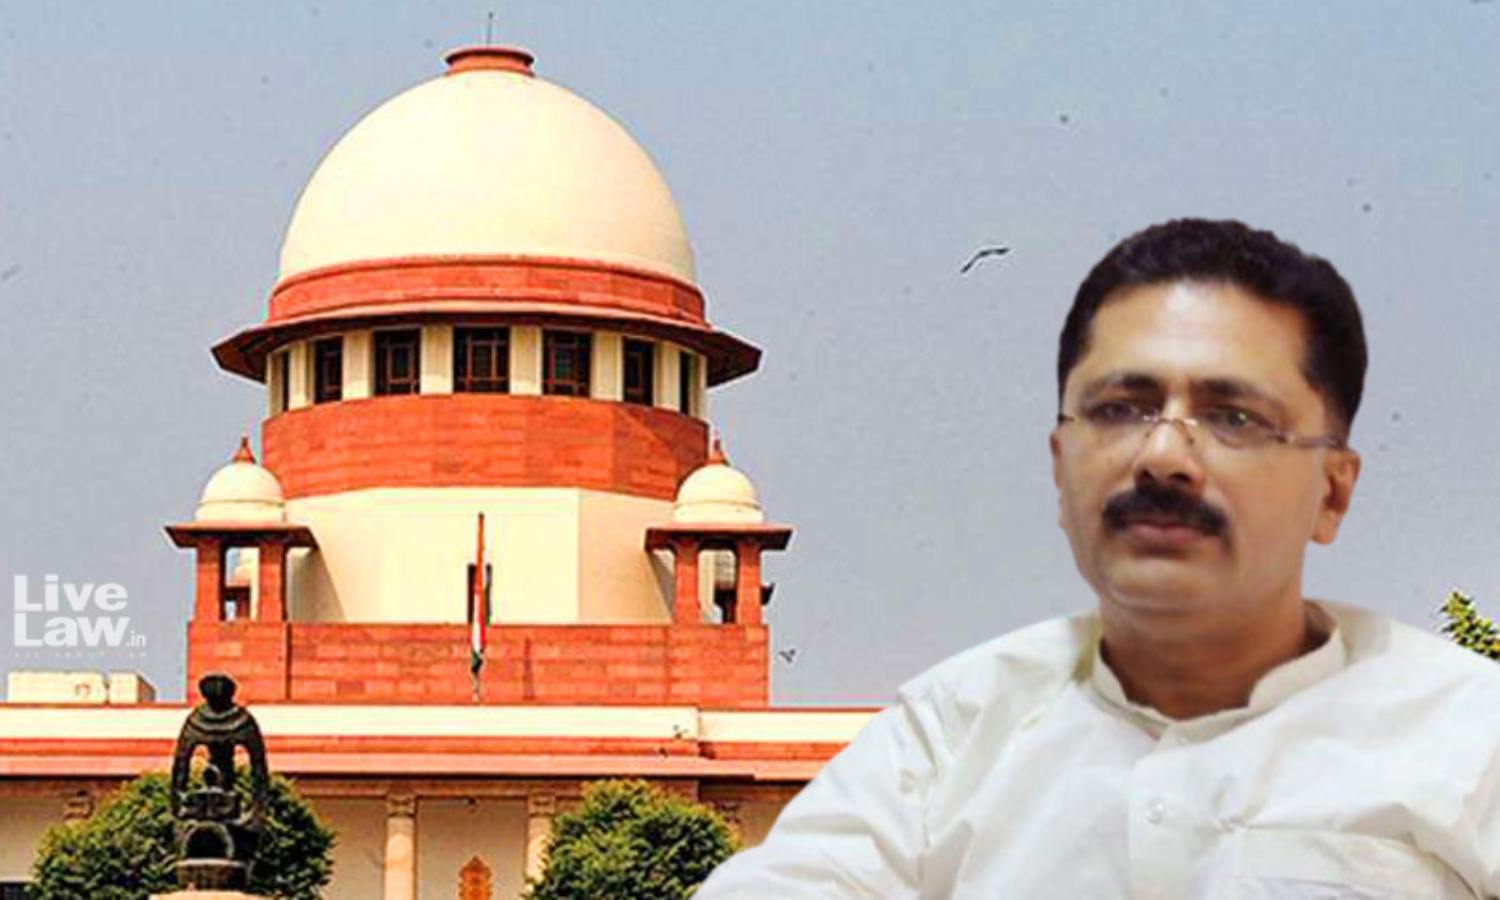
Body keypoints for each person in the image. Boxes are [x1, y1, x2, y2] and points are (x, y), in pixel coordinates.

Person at [695, 219, 1500, 898]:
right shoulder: (946, 742)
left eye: (1233, 416)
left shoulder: (1465, 735)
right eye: (1120, 410)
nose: (1163, 458)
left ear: (1330, 489)